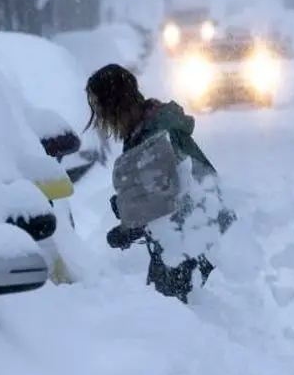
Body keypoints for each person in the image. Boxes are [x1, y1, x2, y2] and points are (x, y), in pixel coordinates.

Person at [85, 64, 233, 303]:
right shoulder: (147, 127)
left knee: (171, 315)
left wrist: (129, 228)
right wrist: (126, 204)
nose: (100, 119)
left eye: (100, 109)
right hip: (193, 232)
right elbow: (156, 187)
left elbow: (170, 199)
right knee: (167, 313)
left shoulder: (155, 136)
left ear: (115, 105)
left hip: (192, 237)